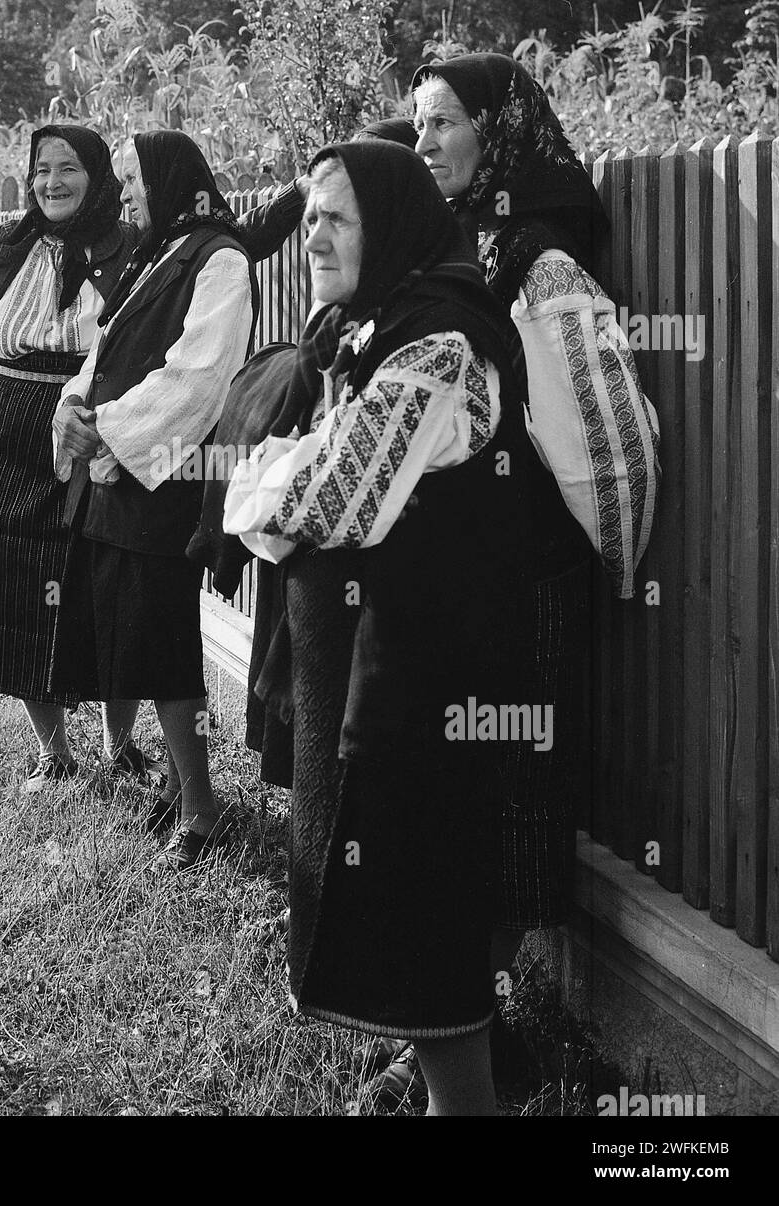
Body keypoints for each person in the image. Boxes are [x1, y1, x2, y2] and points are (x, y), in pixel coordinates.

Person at [224, 139, 539, 1115]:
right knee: (400, 907)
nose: (311, 232)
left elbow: (336, 497)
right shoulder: (379, 330)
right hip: (389, 670)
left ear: (394, 225)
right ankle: (444, 1067)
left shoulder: (439, 343)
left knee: (422, 912)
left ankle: (467, 1093)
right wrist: (286, 472)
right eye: (308, 214)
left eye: (336, 216)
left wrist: (257, 485)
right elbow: (317, 470)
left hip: (432, 687)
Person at [0, 124, 303, 795]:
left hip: (98, 432)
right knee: (20, 588)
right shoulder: (3, 245)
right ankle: (52, 749)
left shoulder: (138, 241)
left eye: (69, 168)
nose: (52, 182)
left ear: (102, 177)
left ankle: (120, 740)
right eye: (41, 169)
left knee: (93, 586)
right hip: (9, 430)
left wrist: (303, 191)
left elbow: (230, 237)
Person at [410, 52, 659, 961]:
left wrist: (616, 563)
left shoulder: (541, 267)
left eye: (444, 122)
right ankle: (445, 991)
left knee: (511, 782)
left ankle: (485, 998)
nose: (424, 140)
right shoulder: (462, 245)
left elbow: (605, 437)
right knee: (451, 776)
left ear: (499, 131)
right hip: (453, 563)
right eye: (420, 123)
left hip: (519, 571)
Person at [51, 130, 260, 870]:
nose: (126, 191)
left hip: (163, 478)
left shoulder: (221, 260)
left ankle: (202, 806)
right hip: (119, 473)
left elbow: (196, 380)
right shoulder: (158, 251)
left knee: (166, 647)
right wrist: (73, 406)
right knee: (136, 635)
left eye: (135, 177)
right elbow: (103, 350)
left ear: (172, 180)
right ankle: (176, 783)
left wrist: (103, 428)